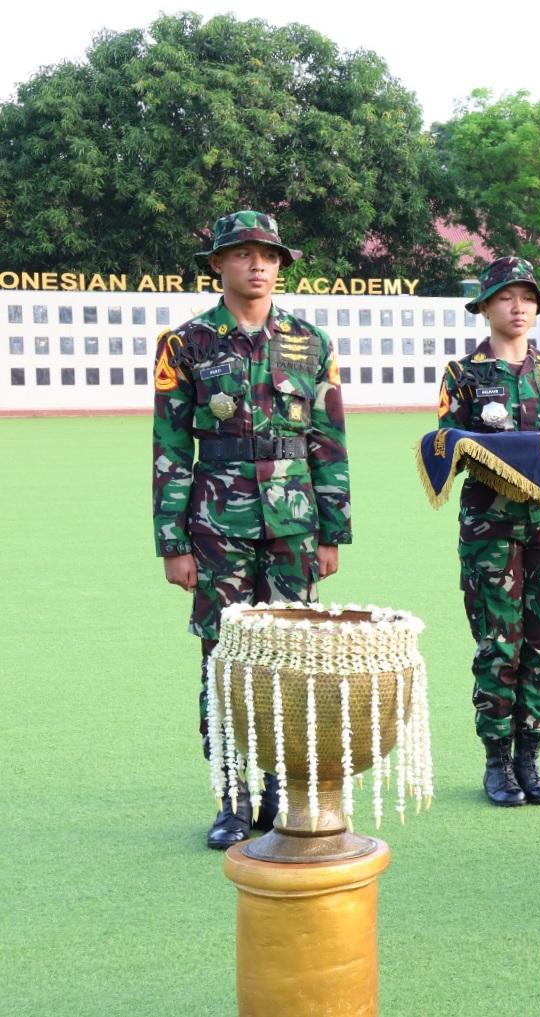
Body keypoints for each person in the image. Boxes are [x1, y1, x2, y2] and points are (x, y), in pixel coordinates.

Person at [152, 210, 349, 849]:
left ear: (281, 265)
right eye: (241, 253)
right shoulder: (186, 344)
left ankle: (282, 790)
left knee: (292, 657)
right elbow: (170, 447)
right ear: (218, 264)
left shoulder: (310, 342)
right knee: (223, 657)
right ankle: (233, 799)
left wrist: (331, 533)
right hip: (217, 524)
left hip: (294, 524)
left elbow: (327, 439)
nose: (257, 264)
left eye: (267, 254)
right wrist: (173, 542)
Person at [437, 256, 540, 807]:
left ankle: (531, 758)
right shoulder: (464, 376)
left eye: (526, 297)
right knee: (500, 645)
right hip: (490, 528)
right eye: (505, 297)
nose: (518, 306)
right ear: (486, 307)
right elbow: (446, 446)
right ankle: (497, 762)